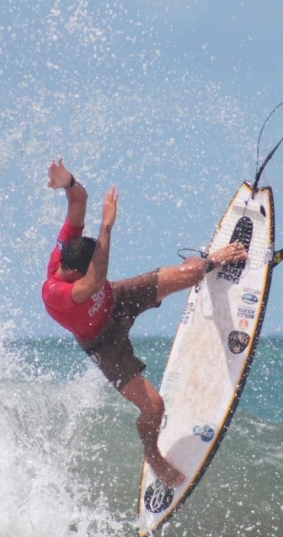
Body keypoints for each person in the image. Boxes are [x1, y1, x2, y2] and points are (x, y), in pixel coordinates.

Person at [42, 158, 247, 487]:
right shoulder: (56, 293)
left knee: (193, 271)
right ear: (75, 273)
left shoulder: (68, 251)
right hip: (103, 343)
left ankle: (209, 260)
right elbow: (95, 282)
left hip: (117, 298)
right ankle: (152, 454)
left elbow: (78, 201)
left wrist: (68, 183)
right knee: (154, 407)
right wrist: (106, 226)